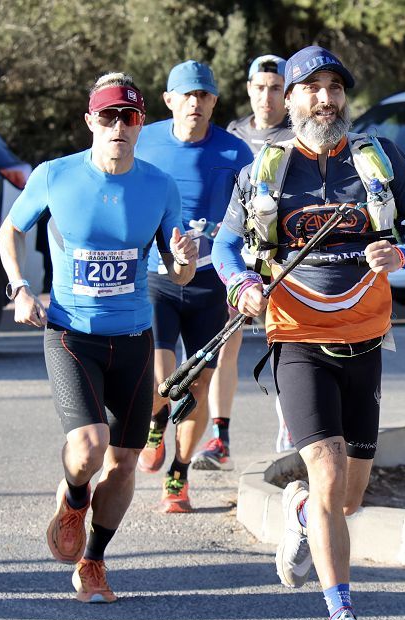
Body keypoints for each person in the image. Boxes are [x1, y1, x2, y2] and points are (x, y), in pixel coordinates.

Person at [212, 45, 405, 620]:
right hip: (297, 340)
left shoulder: (378, 159)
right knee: (327, 469)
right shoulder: (264, 171)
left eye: (335, 87)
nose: (325, 99)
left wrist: (404, 256)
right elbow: (226, 248)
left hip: (366, 341)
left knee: (347, 497)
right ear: (289, 99)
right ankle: (343, 616)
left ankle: (297, 511)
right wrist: (243, 285)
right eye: (311, 88)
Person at [0, 73, 197, 602]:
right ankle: (74, 498)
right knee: (89, 447)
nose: (118, 127)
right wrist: (20, 287)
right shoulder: (55, 176)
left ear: (141, 124)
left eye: (129, 117)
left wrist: (184, 261)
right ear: (90, 121)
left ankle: (94, 561)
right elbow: (10, 230)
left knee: (125, 462)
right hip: (71, 334)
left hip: (133, 338)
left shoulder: (159, 186)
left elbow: (177, 273)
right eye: (108, 117)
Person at [134, 60, 253, 508]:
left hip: (209, 283)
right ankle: (154, 426)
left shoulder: (235, 152)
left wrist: (245, 270)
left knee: (198, 387)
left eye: (203, 95)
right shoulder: (144, 141)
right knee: (160, 380)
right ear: (169, 100)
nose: (194, 103)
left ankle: (179, 474)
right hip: (157, 276)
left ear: (214, 102)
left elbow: (255, 212)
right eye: (186, 95)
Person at [223, 53, 298, 457]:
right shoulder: (233, 135)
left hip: (280, 254)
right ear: (249, 89)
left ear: (286, 94)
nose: (266, 97)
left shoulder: (298, 134)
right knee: (226, 340)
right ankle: (219, 434)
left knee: (281, 337)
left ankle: (289, 421)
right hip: (239, 254)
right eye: (260, 88)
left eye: (275, 88)